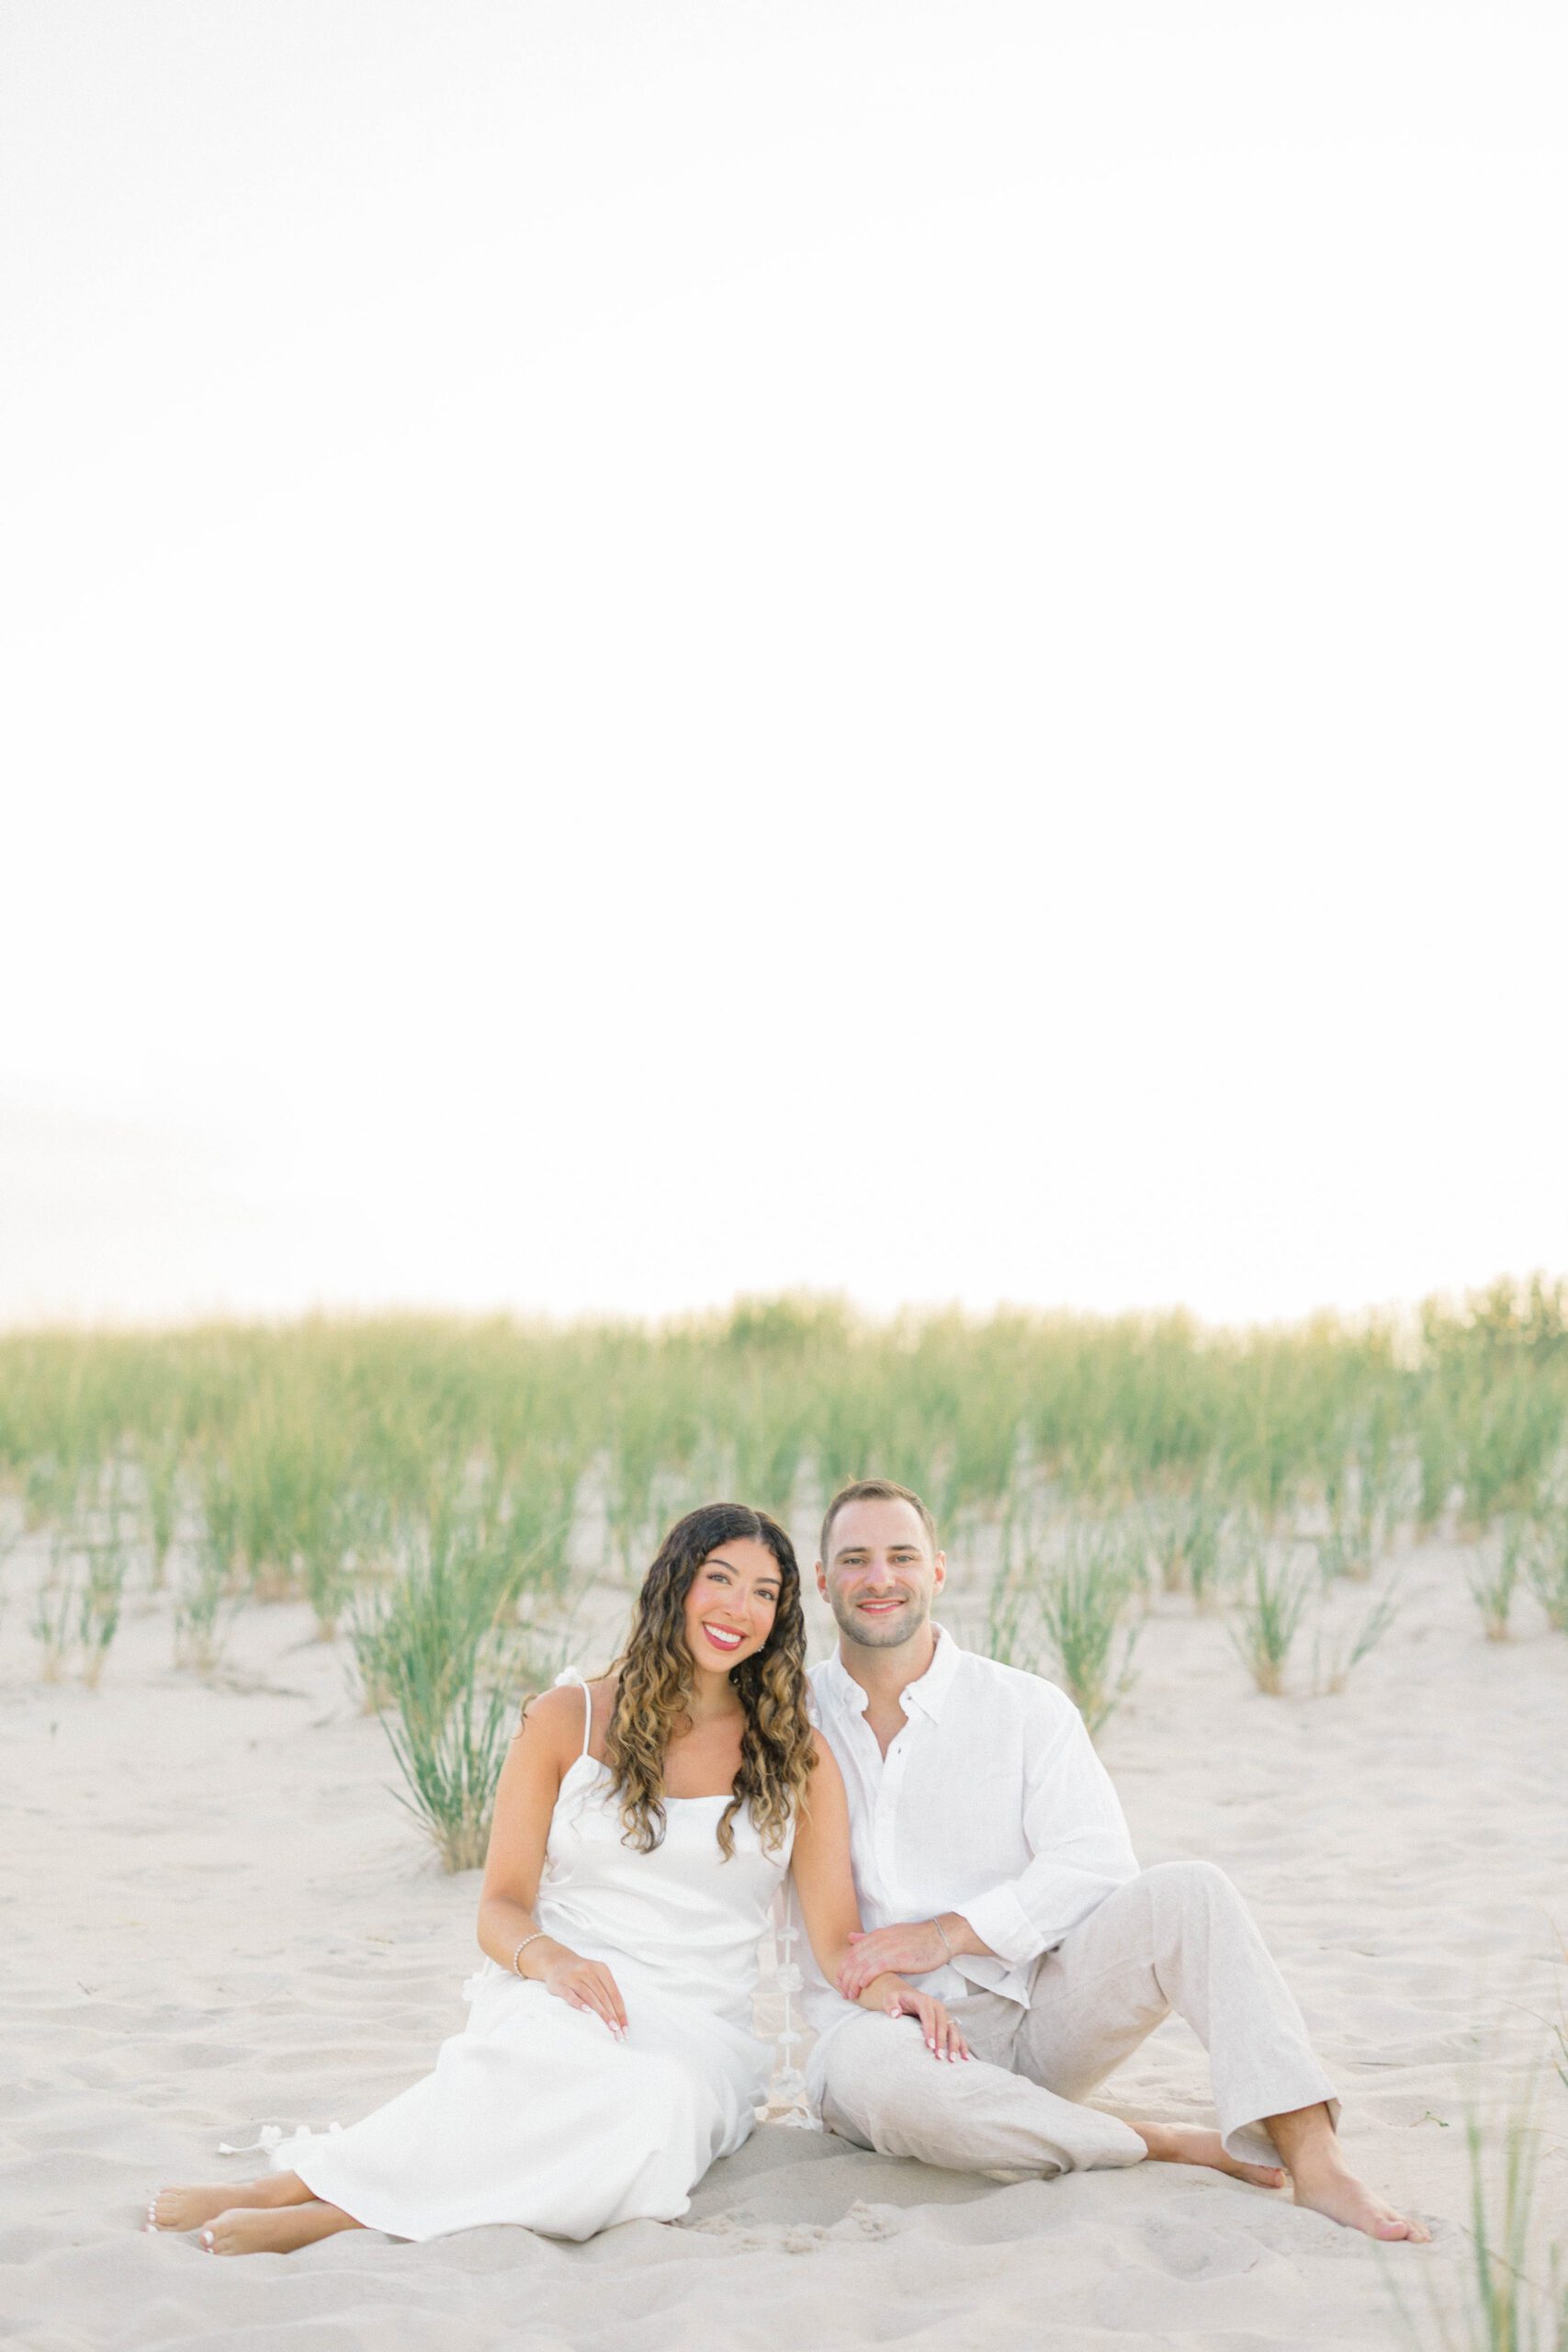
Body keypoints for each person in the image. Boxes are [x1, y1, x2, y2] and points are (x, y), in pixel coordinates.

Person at [147, 1501, 965, 2256]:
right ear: (674, 1585)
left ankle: (338, 2215)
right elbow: (499, 1908)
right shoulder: (565, 1719)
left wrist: (893, 1990)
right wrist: (555, 1964)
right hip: (563, 1987)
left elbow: (834, 1940)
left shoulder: (795, 1754)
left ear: (780, 1616)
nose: (737, 1609)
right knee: (534, 2066)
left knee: (647, 2103)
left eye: (763, 1593)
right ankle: (286, 2186)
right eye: (718, 1579)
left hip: (697, 2036)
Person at [798, 1478, 1431, 2244]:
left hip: (1034, 2017)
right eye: (855, 1560)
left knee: (1191, 1893)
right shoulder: (787, 1719)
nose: (879, 1578)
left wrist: (947, 1934)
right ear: (823, 1580)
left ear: (936, 1570)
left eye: (901, 1556)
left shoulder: (1023, 1707)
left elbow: (1095, 1863)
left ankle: (1315, 2157)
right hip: (877, 2033)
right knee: (896, 2092)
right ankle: (1154, 2140)